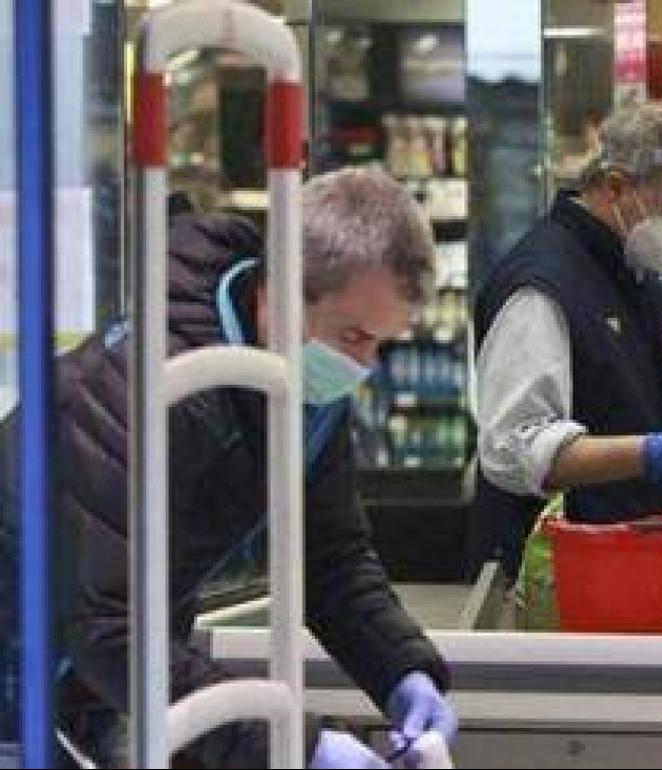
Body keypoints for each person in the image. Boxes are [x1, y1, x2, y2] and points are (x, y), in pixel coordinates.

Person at [0, 167, 456, 768]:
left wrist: (405, 673)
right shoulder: (144, 387)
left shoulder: (302, 387)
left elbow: (330, 560)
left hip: (90, 686)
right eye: (353, 336)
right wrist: (298, 747)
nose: (362, 366)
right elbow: (110, 630)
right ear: (281, 292)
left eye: (380, 343)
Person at [472, 100, 662, 577]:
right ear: (616, 186)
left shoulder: (634, 272)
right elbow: (513, 448)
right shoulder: (542, 287)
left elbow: (600, 381)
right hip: (560, 572)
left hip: (630, 560)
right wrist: (652, 453)